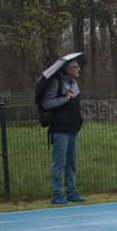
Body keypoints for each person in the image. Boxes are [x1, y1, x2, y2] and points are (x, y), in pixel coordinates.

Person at [41, 58, 85, 204]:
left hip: (74, 128)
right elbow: (46, 103)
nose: (78, 69)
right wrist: (65, 98)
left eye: (78, 67)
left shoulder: (74, 83)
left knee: (71, 162)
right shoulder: (56, 83)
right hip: (60, 129)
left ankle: (72, 192)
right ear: (67, 69)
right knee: (59, 163)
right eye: (75, 67)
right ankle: (57, 194)